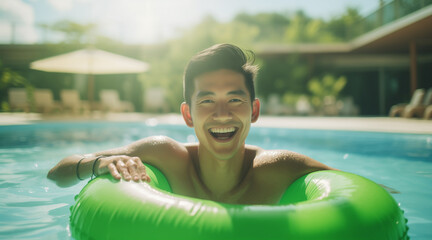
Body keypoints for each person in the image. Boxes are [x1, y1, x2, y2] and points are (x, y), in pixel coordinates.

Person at [47, 43, 337, 204]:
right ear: (188, 115)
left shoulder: (277, 168)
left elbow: (367, 192)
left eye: (235, 100)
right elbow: (57, 173)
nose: (222, 114)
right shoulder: (166, 156)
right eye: (207, 101)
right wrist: (98, 164)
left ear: (254, 111)